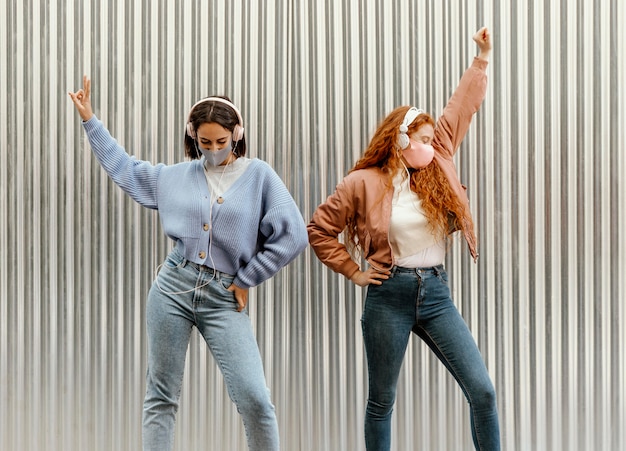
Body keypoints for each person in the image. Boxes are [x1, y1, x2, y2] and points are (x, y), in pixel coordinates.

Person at [69, 80, 308, 451]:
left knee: (255, 399)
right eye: (205, 142)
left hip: (223, 295)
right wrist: (90, 120)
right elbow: (125, 168)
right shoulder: (175, 177)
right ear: (192, 136)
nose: (213, 150)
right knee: (161, 395)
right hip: (172, 289)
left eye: (221, 142)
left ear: (237, 135)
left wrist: (247, 278)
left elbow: (293, 235)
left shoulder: (259, 175)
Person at [307, 27, 500, 450]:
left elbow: (461, 107)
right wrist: (355, 272)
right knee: (382, 402)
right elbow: (319, 229)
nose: (432, 147)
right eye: (424, 140)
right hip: (388, 296)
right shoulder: (362, 182)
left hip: (435, 293)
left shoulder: (438, 162)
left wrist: (483, 57)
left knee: (482, 391)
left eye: (434, 140)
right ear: (400, 139)